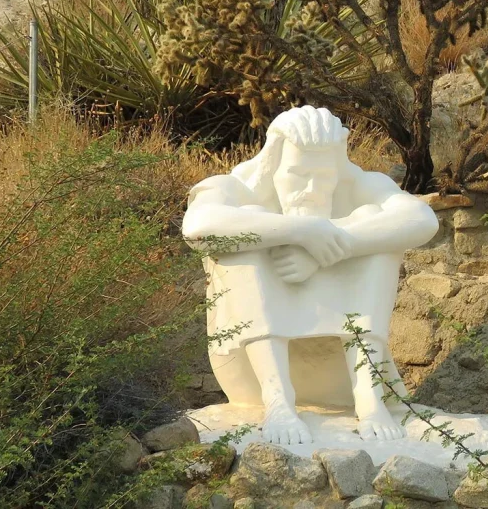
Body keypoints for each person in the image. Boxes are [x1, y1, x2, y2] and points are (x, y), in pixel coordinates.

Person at [182, 107, 439, 444]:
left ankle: (369, 398)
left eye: (323, 176)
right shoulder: (235, 186)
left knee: (373, 227)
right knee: (250, 229)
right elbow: (199, 228)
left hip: (340, 378)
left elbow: (422, 220)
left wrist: (334, 244)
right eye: (298, 175)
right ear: (274, 167)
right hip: (250, 374)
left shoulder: (361, 184)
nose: (312, 188)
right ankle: (279, 400)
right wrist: (302, 230)